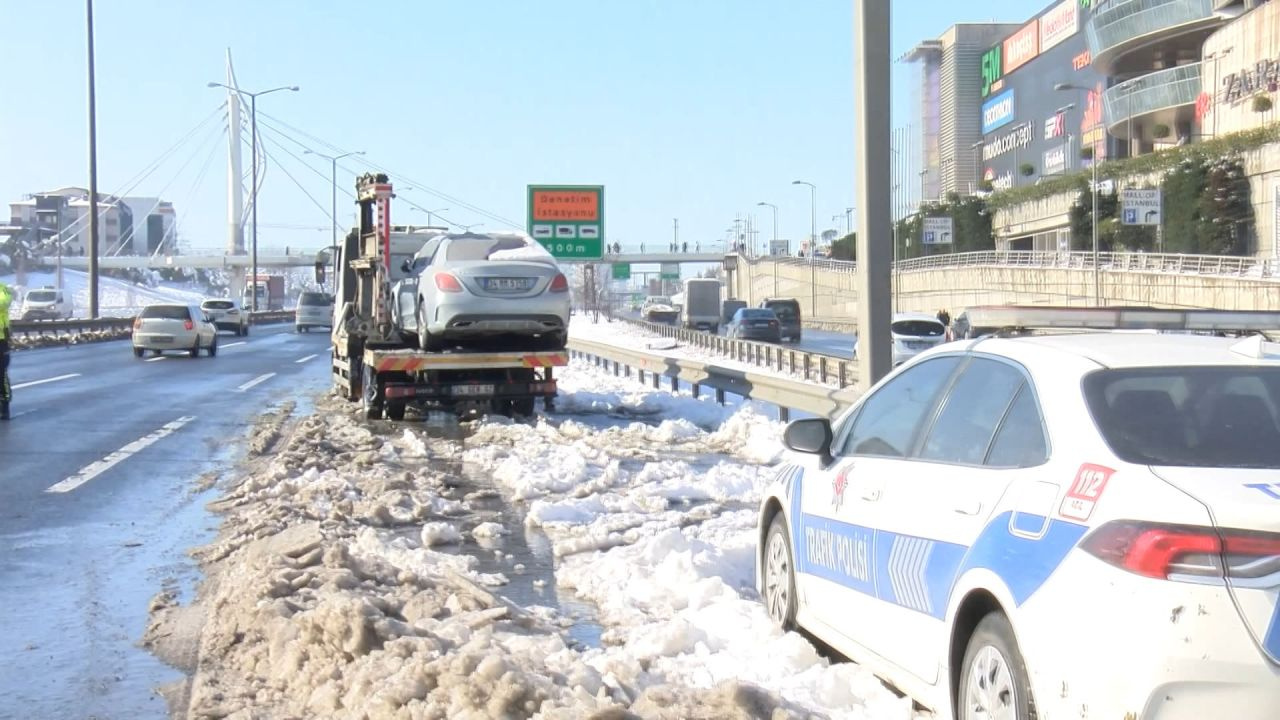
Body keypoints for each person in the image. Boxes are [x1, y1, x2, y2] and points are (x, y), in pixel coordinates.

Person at [0, 280, 11, 420]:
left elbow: (4, 302)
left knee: (0, 374)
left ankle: (4, 406)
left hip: (0, 340)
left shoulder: (2, 289)